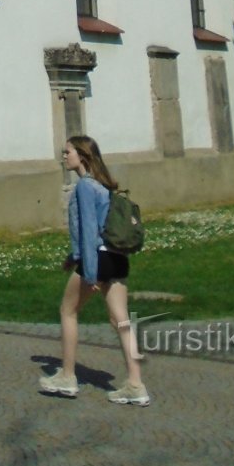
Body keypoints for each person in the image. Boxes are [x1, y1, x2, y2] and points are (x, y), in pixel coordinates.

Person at [38, 134, 150, 405]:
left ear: (83, 156)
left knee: (68, 311)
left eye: (68, 152)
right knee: (121, 321)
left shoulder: (85, 187)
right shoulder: (103, 185)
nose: (64, 157)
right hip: (117, 258)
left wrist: (88, 272)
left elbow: (89, 231)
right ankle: (136, 384)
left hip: (97, 259)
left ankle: (67, 376)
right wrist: (72, 256)